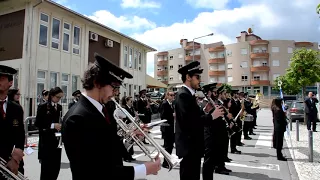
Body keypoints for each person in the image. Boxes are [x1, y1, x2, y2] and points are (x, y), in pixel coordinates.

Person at [61, 53, 161, 180]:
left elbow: (108, 148)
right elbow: (91, 170)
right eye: (114, 87)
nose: (115, 94)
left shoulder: (102, 109)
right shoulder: (77, 118)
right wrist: (143, 170)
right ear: (97, 83)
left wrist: (130, 137)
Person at [175, 61, 224, 180]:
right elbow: (190, 122)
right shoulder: (183, 95)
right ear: (188, 77)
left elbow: (194, 117)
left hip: (193, 147)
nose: (200, 80)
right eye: (197, 77)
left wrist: (208, 112)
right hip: (188, 147)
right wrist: (212, 116)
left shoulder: (189, 95)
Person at [0, 65, 25, 177]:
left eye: (1, 79)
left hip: (9, 162)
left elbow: (20, 133)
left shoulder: (16, 108)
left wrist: (16, 157)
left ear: (10, 83)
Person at [35, 87, 64, 180]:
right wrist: (52, 125)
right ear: (51, 96)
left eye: (61, 97)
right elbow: (38, 123)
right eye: (58, 97)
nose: (59, 99)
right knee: (46, 170)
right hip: (46, 142)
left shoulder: (59, 107)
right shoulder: (43, 107)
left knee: (55, 168)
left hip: (56, 141)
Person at [7, 88, 25, 174]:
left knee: (19, 167)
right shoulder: (9, 105)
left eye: (19, 94)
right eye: (17, 94)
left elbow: (21, 128)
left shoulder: (18, 107)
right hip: (9, 141)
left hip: (17, 143)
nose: (18, 96)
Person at [159, 90, 175, 169]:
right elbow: (162, 116)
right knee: (168, 146)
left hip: (171, 128)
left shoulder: (172, 104)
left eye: (173, 95)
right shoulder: (165, 104)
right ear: (167, 96)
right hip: (166, 127)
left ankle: (167, 161)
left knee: (170, 146)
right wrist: (172, 115)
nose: (172, 97)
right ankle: (165, 162)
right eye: (171, 95)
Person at [120, 95, 137, 162]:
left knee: (131, 142)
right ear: (126, 101)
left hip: (131, 127)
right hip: (126, 127)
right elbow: (123, 118)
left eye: (132, 101)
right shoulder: (124, 108)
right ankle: (125, 157)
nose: (132, 102)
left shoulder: (131, 108)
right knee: (126, 143)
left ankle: (130, 156)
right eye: (131, 101)